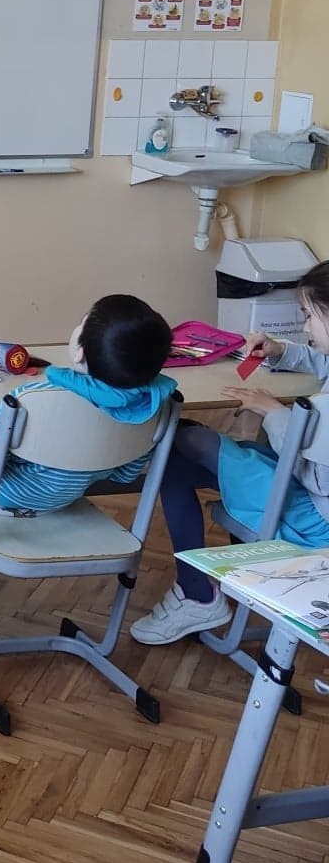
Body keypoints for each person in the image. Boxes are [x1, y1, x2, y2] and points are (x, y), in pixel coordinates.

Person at [130, 262, 329, 644]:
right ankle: (198, 590)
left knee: (185, 442)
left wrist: (275, 413)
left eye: (308, 316)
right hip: (306, 492)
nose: (305, 327)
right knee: (174, 458)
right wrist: (280, 351)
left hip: (311, 515)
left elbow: (315, 476)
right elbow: (323, 360)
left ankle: (198, 595)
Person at [0, 294, 176, 558]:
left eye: (82, 322)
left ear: (79, 352)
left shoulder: (30, 401)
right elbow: (125, 475)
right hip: (57, 502)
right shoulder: (155, 409)